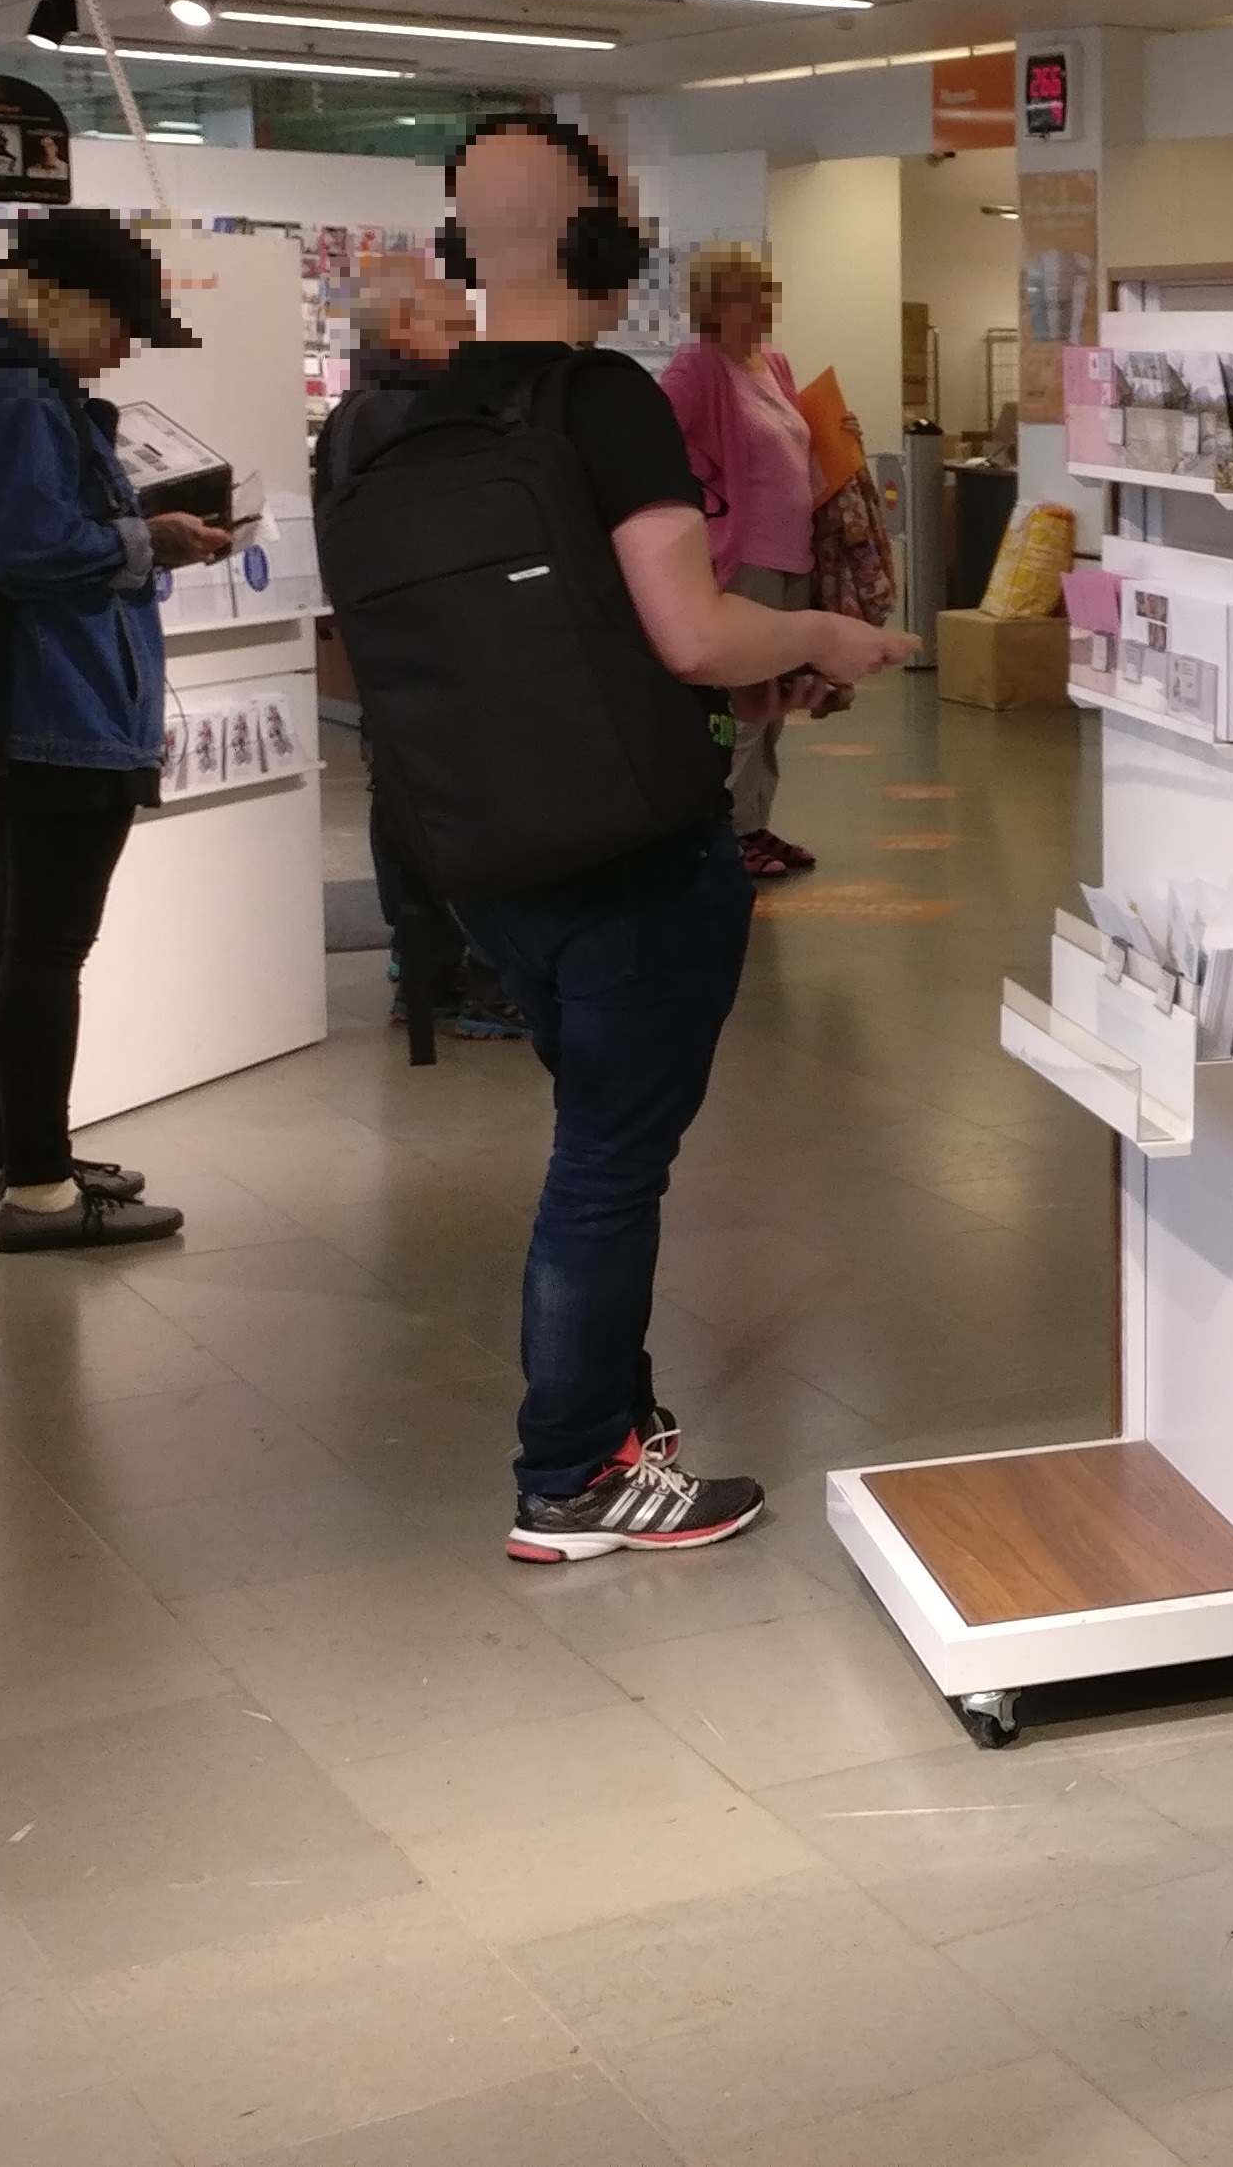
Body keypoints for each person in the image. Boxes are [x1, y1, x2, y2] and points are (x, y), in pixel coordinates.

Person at [397, 115, 915, 1560]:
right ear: (600, 239)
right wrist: (818, 636)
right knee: (608, 1165)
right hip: (627, 849)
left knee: (596, 1137)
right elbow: (691, 633)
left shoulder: (402, 419)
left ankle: (613, 1422)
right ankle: (572, 1471)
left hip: (488, 851)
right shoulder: (604, 401)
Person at [0, 212, 231, 1251]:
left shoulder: (2, 386)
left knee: (17, 939)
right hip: (54, 709)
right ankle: (41, 1189)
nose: (127, 347)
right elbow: (24, 550)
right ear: (70, 306)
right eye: (122, 324)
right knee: (46, 949)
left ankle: (21, 1160)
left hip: (35, 706)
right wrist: (150, 539)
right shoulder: (13, 395)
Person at [319, 251, 521, 1045]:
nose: (471, 337)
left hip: (418, 655)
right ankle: (458, 979)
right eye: (454, 323)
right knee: (449, 815)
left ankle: (435, 970)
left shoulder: (379, 410)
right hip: (435, 654)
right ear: (401, 326)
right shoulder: (394, 416)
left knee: (418, 813)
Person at [658, 244, 827, 878]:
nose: (762, 306)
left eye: (764, 293)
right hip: (743, 557)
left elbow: (794, 446)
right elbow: (657, 435)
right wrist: (703, 484)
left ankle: (754, 822)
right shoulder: (699, 367)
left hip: (792, 554)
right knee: (743, 701)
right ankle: (725, 830)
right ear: (715, 303)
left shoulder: (773, 364)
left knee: (776, 701)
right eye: (747, 295)